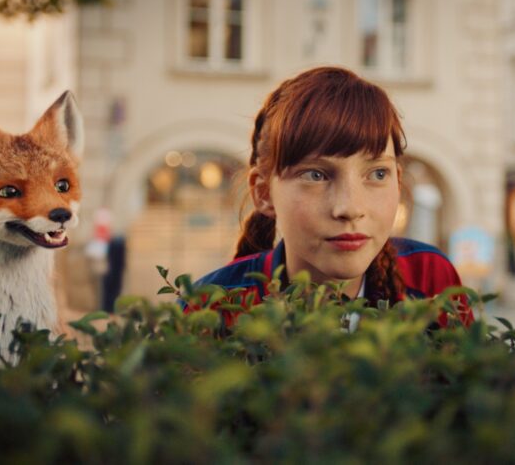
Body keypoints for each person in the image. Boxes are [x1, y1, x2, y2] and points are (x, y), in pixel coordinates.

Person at [190, 67, 472, 327]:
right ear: (264, 193)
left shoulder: (430, 277)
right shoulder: (211, 310)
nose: (350, 208)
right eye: (315, 175)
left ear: (397, 181)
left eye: (376, 174)